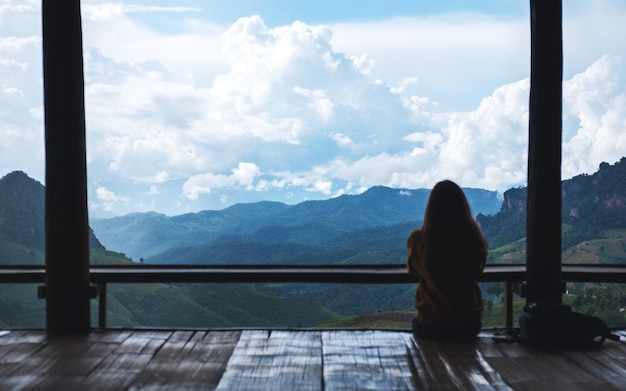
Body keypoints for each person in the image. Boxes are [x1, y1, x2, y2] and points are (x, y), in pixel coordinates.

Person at [406, 180, 488, 340]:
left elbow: (413, 271)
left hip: (430, 324)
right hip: (468, 325)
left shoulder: (417, 239)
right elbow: (478, 271)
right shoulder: (472, 237)